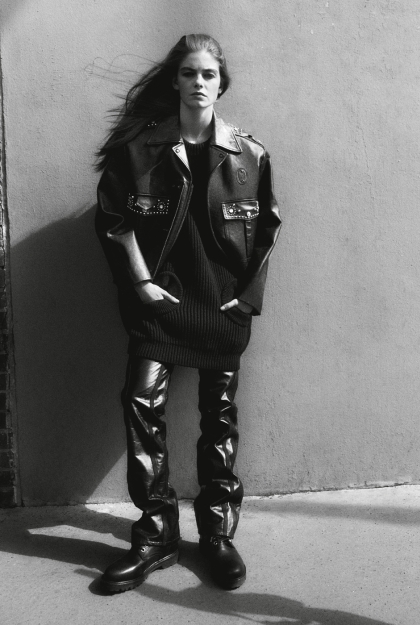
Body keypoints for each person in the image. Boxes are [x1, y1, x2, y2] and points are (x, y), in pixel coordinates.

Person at [95, 34, 281, 592]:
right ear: (175, 81)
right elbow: (113, 218)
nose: (199, 83)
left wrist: (249, 297)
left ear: (221, 84)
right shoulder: (141, 149)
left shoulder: (249, 154)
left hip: (222, 303)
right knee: (140, 403)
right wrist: (141, 282)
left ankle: (217, 535)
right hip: (161, 303)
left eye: (208, 75)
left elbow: (268, 229)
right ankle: (156, 534)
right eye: (189, 73)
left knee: (218, 417)